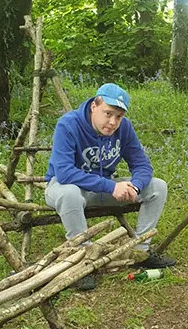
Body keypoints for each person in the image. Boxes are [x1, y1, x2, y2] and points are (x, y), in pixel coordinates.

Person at [44, 82, 176, 290]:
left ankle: (140, 251)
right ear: (94, 106)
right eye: (108, 113)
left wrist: (135, 186)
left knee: (158, 186)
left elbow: (142, 164)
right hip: (66, 188)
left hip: (102, 189)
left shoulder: (124, 128)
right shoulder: (68, 124)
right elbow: (64, 172)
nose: (113, 122)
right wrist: (110, 186)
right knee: (69, 193)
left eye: (119, 116)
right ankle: (82, 260)